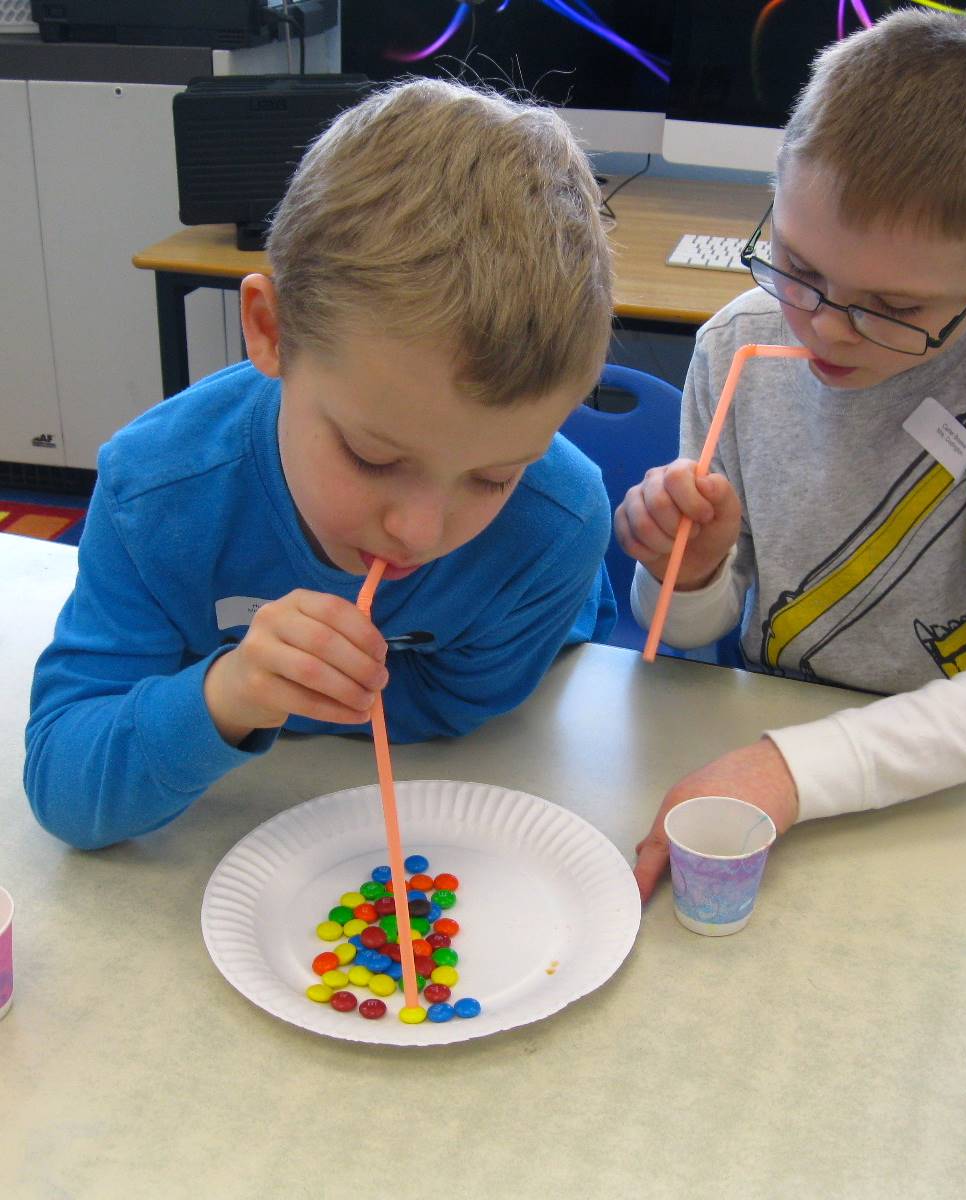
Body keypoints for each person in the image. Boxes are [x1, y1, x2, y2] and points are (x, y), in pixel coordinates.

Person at [25, 79, 616, 851]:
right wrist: (226, 694)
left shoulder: (557, 527)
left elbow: (470, 704)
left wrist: (299, 694)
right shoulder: (156, 496)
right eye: (373, 456)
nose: (418, 530)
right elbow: (66, 790)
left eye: (494, 477)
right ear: (269, 330)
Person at [616, 10, 966, 900]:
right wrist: (687, 575)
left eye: (890, 305)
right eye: (798, 267)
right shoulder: (737, 344)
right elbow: (692, 635)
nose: (821, 326)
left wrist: (787, 772)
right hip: (790, 736)